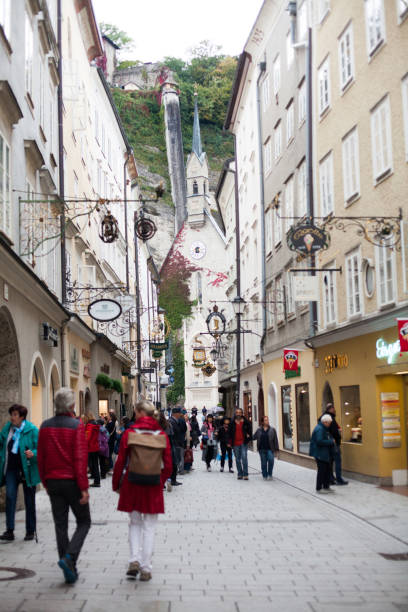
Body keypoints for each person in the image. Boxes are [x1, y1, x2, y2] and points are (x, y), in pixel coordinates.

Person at [112, 400, 172, 581]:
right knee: (150, 527)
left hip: (133, 482)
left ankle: (134, 560)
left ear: (139, 413)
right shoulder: (161, 434)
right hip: (153, 483)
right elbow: (169, 465)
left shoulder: (130, 433)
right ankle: (146, 567)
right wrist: (159, 480)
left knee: (135, 523)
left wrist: (117, 484)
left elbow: (121, 461)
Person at [37, 387, 91, 584]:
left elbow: (41, 458)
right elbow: (79, 458)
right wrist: (84, 488)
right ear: (71, 405)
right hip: (72, 482)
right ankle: (70, 558)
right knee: (84, 521)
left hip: (53, 482)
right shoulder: (75, 425)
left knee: (60, 524)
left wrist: (45, 482)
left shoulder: (45, 426)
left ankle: (67, 564)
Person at [0, 404, 40, 542]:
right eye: (12, 414)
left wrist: (33, 453)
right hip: (11, 469)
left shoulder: (32, 430)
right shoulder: (8, 428)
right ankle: (9, 530)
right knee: (10, 497)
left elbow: (41, 449)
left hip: (27, 469)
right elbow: (1, 442)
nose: (12, 417)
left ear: (22, 417)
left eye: (15, 415)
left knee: (29, 500)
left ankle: (30, 530)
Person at [320, 403, 348, 485]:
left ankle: (330, 478)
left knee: (330, 462)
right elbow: (334, 431)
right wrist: (338, 434)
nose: (335, 410)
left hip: (328, 444)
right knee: (337, 461)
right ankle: (338, 479)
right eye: (333, 409)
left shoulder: (323, 417)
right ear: (330, 409)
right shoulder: (329, 418)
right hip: (333, 444)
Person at [309, 414, 336, 494]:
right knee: (322, 471)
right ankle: (319, 488)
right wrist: (331, 441)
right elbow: (319, 441)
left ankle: (326, 486)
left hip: (323, 453)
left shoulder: (323, 428)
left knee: (327, 470)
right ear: (325, 422)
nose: (330, 424)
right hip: (319, 453)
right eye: (329, 423)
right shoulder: (320, 429)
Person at [253, 416, 279, 480]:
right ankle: (265, 475)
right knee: (263, 463)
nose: (267, 421)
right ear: (262, 422)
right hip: (261, 449)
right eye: (265, 420)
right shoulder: (259, 430)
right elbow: (254, 437)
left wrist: (276, 449)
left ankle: (270, 474)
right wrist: (247, 436)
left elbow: (275, 440)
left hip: (270, 449)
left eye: (267, 420)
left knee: (271, 460)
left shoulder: (272, 429)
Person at [228, 408, 252, 480]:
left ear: (242, 414)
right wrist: (229, 442)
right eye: (237, 412)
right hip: (235, 443)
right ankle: (240, 474)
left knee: (244, 458)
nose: (238, 414)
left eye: (240, 412)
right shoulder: (232, 422)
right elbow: (229, 433)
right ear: (235, 414)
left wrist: (248, 435)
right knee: (238, 459)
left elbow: (250, 430)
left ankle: (245, 474)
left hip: (243, 442)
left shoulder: (246, 422)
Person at [169, 407, 186, 476]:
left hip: (177, 443)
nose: (180, 414)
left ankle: (174, 477)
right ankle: (173, 477)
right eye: (179, 413)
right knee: (175, 460)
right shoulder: (171, 421)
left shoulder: (176, 421)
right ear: (176, 414)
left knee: (177, 459)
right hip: (175, 443)